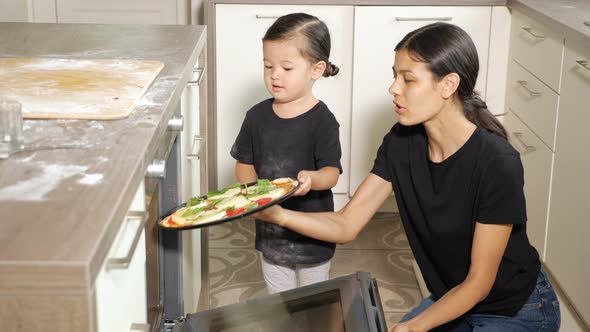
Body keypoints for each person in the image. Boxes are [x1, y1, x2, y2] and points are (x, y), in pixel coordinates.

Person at [255, 22, 561, 331]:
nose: (393, 88)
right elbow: (347, 224)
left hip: (516, 309)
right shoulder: (402, 142)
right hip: (452, 296)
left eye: (408, 79)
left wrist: (415, 327)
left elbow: (479, 283)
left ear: (448, 85)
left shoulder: (497, 161)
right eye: (394, 75)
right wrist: (278, 215)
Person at [230, 13, 342, 294]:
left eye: (287, 68)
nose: (274, 74)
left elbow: (331, 174)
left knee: (313, 303)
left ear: (316, 70)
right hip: (272, 235)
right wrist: (252, 192)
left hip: (314, 236)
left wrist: (312, 180)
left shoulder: (323, 121)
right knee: (280, 304)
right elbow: (244, 164)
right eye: (268, 66)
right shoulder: (256, 117)